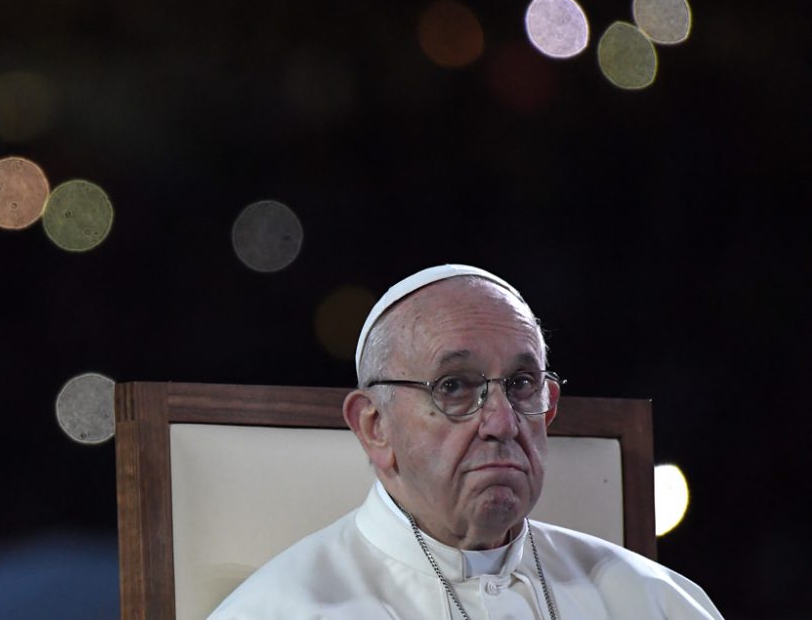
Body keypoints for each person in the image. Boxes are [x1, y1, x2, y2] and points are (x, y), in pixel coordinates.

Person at [209, 264, 723, 619]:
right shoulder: (281, 608)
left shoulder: (654, 601)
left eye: (521, 385)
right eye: (454, 387)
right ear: (374, 427)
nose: (501, 421)